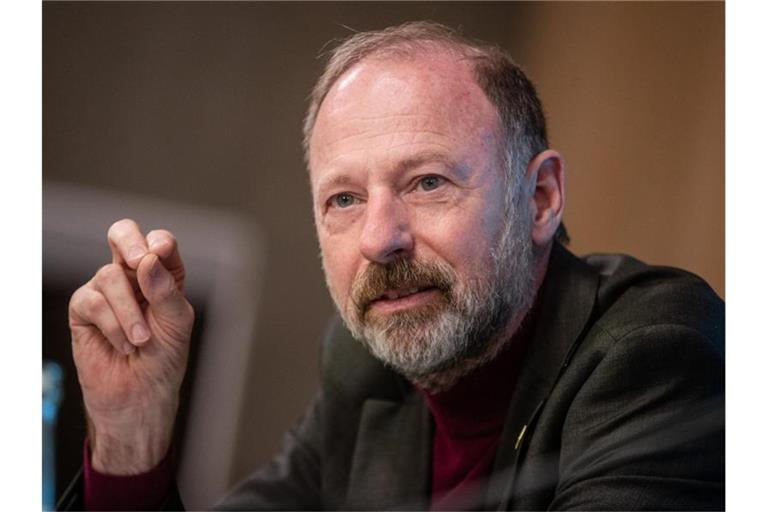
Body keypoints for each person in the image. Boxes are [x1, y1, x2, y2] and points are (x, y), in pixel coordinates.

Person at [60, 21, 724, 511]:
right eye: (344, 199)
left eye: (428, 183)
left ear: (540, 200)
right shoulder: (365, 371)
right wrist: (130, 434)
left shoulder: (656, 353)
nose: (380, 238)